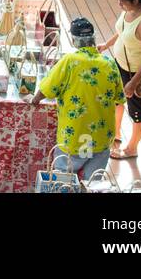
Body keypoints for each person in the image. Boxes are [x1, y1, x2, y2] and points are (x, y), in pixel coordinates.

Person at [30, 16, 125, 181]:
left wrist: (35, 99)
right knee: (92, 183)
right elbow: (119, 97)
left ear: (74, 40)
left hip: (78, 136)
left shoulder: (70, 61)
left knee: (63, 180)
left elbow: (48, 88)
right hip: (103, 137)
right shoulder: (109, 63)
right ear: (93, 38)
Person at [99, 0, 141, 161]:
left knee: (137, 112)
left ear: (135, 1)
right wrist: (106, 44)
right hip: (120, 64)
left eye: (122, 1)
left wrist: (133, 83)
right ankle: (115, 134)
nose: (119, 4)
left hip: (136, 73)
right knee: (117, 101)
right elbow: (122, 30)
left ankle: (132, 148)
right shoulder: (128, 11)